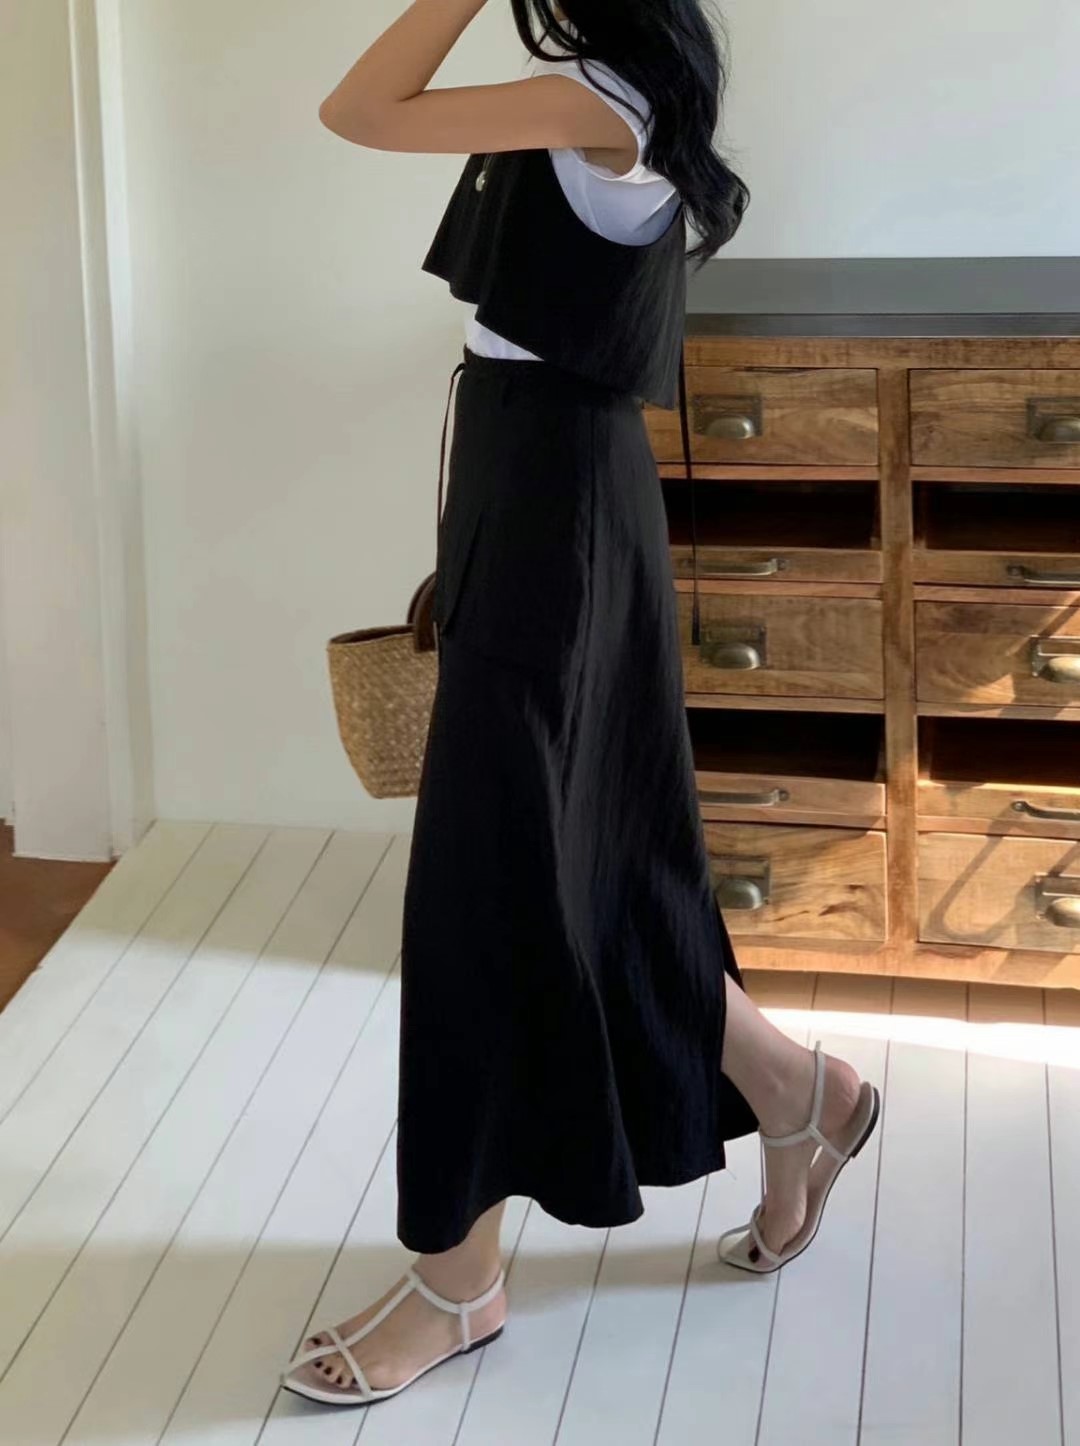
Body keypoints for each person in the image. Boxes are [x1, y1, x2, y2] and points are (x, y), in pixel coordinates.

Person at [282, 0, 880, 1408]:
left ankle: (458, 1282)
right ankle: (802, 1093)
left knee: (489, 884)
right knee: (594, 868)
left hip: (559, 498)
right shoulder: (602, 85)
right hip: (537, 481)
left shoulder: (600, 100)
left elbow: (357, 110)